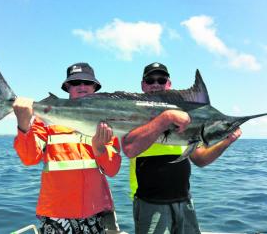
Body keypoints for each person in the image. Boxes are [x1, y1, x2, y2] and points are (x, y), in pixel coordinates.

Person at [122, 62, 242, 234]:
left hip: (184, 200)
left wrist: (226, 141)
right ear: (143, 85)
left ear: (169, 84)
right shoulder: (134, 114)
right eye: (150, 80)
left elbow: (200, 159)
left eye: (161, 79)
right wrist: (166, 117)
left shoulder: (185, 116)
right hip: (150, 201)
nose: (156, 84)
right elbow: (130, 149)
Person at [13, 63, 122, 234]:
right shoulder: (45, 120)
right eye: (76, 82)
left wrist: (100, 149)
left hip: (94, 212)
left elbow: (112, 169)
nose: (82, 86)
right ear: (68, 87)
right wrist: (23, 125)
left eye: (87, 82)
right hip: (56, 214)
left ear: (95, 87)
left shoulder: (106, 122)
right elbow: (29, 158)